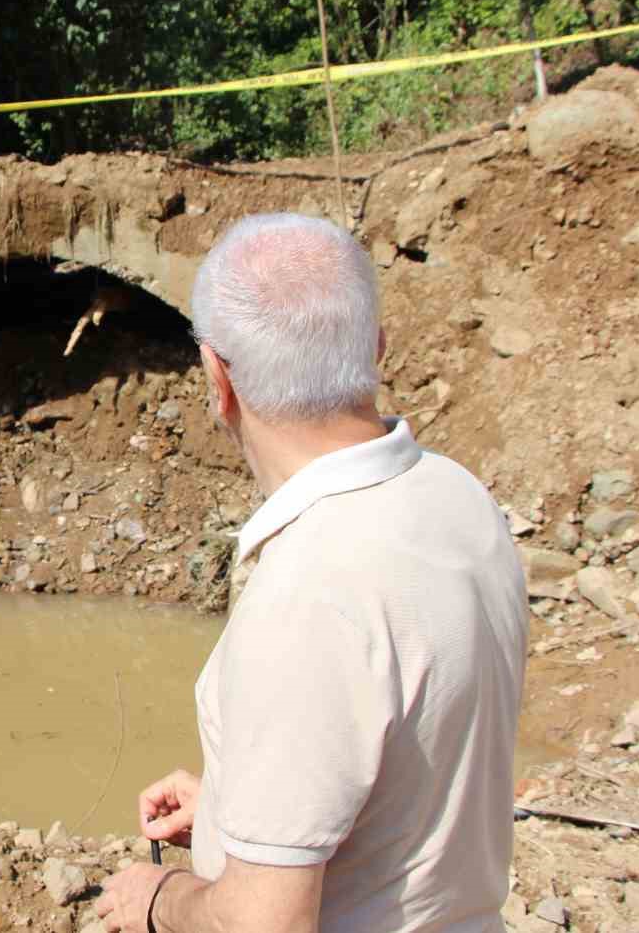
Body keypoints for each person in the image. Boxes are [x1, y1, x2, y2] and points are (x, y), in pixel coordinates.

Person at [95, 213, 528, 933]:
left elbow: (262, 925)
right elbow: (412, 760)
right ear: (377, 350)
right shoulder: (460, 499)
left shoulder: (309, 590)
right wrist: (242, 811)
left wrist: (156, 901)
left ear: (217, 378)